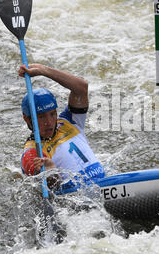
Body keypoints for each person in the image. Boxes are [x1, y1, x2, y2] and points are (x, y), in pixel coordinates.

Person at [19, 64, 105, 193]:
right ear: (27, 119)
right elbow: (53, 192)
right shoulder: (32, 151)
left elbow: (81, 88)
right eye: (41, 117)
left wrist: (43, 71)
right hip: (80, 198)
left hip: (105, 184)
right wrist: (51, 171)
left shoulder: (69, 121)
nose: (49, 122)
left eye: (52, 114)